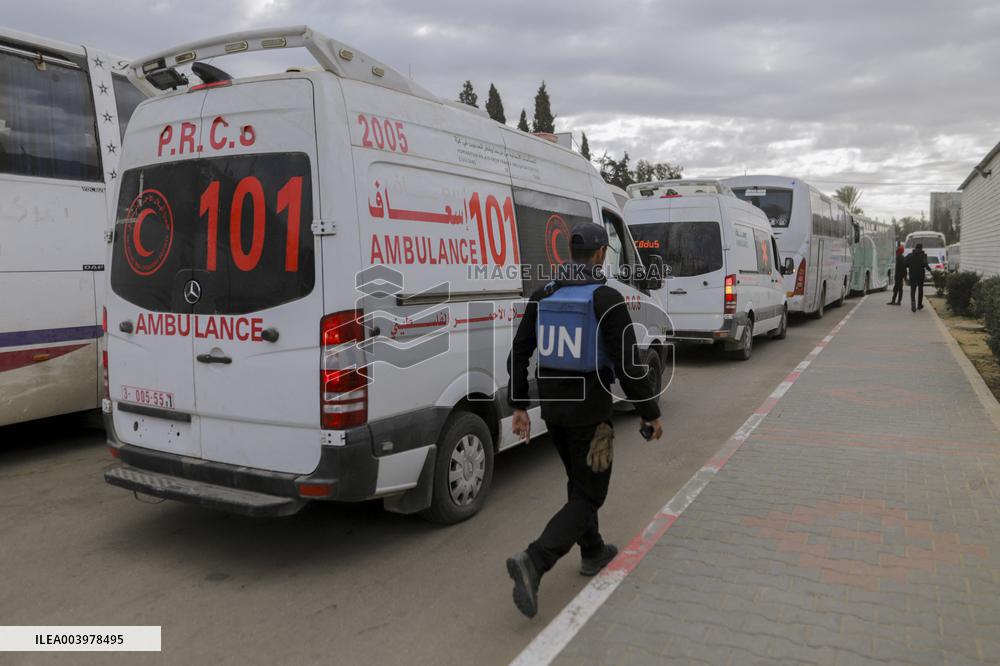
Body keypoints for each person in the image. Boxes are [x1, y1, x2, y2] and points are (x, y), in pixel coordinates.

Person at [505, 222, 663, 619]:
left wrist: (520, 404)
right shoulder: (606, 297)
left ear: (570, 254)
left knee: (579, 483)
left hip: (554, 413)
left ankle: (593, 550)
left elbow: (520, 349)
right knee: (590, 494)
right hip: (591, 413)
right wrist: (650, 412)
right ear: (598, 255)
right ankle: (534, 560)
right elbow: (629, 364)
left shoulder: (546, 293)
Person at [904, 242, 933, 312]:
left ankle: (913, 303)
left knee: (913, 290)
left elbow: (904, 262)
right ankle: (919, 305)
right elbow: (925, 264)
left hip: (912, 274)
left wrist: (910, 266)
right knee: (920, 289)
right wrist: (930, 270)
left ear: (915, 248)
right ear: (921, 248)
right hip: (920, 275)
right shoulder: (923, 255)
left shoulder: (910, 255)